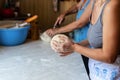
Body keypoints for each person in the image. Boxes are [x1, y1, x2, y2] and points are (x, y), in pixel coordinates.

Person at [46, 0, 120, 79]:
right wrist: (74, 46)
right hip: (97, 71)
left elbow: (109, 57)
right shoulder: (94, 2)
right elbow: (96, 38)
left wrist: (75, 47)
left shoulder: (112, 6)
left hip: (112, 73)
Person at [49, 0, 90, 74]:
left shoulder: (94, 2)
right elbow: (77, 6)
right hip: (79, 43)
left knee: (86, 71)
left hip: (88, 44)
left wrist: (57, 30)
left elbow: (80, 23)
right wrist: (64, 13)